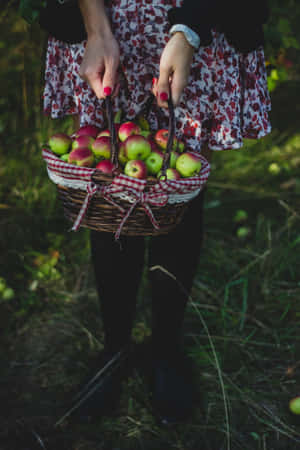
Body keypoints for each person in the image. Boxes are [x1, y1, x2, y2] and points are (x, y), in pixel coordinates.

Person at [39, 0, 271, 425]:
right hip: (114, 22)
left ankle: (166, 348)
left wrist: (188, 31)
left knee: (176, 186)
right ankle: (115, 348)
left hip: (200, 17)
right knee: (109, 191)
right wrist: (95, 26)